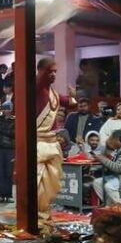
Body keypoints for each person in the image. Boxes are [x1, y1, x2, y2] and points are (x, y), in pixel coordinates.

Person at [34, 57, 77, 220]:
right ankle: (36, 212)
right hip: (37, 144)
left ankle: (44, 209)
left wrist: (73, 95)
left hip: (52, 144)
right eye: (49, 71)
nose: (53, 75)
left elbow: (71, 102)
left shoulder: (54, 94)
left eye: (55, 72)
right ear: (40, 71)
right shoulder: (35, 88)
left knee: (52, 181)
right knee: (38, 180)